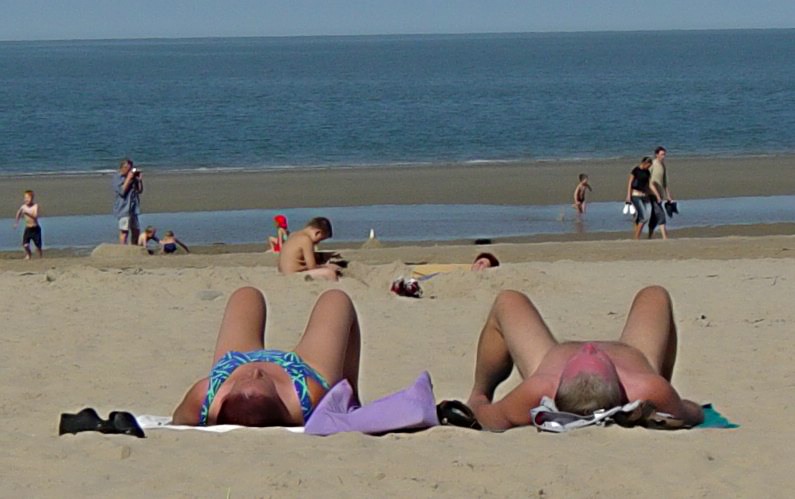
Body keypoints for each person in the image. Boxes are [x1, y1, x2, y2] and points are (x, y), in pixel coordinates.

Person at [465, 286, 704, 431]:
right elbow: (693, 412)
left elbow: (492, 417)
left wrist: (477, 402)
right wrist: (669, 402)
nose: (589, 347)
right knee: (654, 294)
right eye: (596, 356)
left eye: (583, 356)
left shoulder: (539, 386)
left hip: (547, 358)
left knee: (508, 300)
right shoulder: (647, 386)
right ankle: (480, 388)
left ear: (558, 383)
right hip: (635, 354)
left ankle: (480, 387)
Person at [172, 287, 361, 427]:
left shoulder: (205, 398)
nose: (255, 372)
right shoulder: (306, 397)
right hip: (300, 371)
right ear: (281, 402)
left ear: (223, 400)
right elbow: (336, 399)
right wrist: (348, 394)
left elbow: (177, 421)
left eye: (244, 380)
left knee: (246, 294)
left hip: (235, 362)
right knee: (335, 299)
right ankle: (356, 397)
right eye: (262, 379)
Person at [278, 217, 341, 281]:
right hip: (294, 274)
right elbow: (312, 267)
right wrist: (327, 266)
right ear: (317, 233)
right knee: (330, 273)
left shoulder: (293, 235)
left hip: (284, 272)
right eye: (320, 240)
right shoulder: (306, 239)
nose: (317, 243)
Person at [625, 157, 663, 240]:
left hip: (644, 196)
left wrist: (657, 195)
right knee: (644, 217)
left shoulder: (647, 172)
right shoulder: (636, 170)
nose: (649, 167)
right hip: (635, 195)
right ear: (644, 163)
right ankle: (636, 238)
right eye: (648, 165)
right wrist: (628, 196)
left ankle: (636, 236)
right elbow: (630, 183)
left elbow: (649, 185)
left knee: (641, 217)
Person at [112, 158, 144, 245]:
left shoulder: (133, 177)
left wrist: (139, 180)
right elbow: (122, 192)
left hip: (133, 208)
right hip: (123, 208)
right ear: (123, 168)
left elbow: (139, 190)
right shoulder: (117, 177)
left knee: (136, 230)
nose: (130, 171)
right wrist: (128, 179)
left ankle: (134, 247)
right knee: (124, 231)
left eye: (131, 168)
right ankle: (123, 249)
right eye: (128, 169)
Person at [648, 147, 672, 240]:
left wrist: (668, 195)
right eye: (662, 154)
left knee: (654, 217)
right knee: (660, 214)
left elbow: (665, 182)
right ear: (656, 155)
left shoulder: (663, 165)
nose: (664, 156)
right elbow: (647, 179)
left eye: (664, 154)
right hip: (652, 193)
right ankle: (665, 237)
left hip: (660, 194)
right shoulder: (652, 164)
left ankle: (649, 236)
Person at [13, 190, 43, 259]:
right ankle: (29, 254)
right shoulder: (23, 207)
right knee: (25, 244)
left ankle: (40, 256)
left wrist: (27, 213)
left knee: (38, 245)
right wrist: (16, 222)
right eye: (25, 198)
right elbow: (19, 213)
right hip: (28, 228)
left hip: (35, 229)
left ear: (32, 198)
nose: (26, 200)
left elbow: (35, 216)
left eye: (28, 198)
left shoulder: (35, 206)